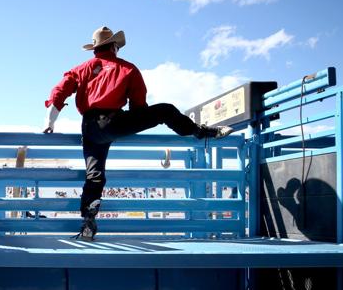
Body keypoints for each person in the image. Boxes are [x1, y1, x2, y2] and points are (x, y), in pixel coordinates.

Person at [43, 26, 232, 241]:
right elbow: (139, 107)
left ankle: (88, 218)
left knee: (94, 174)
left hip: (89, 127)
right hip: (114, 122)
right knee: (165, 110)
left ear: (95, 49)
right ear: (114, 47)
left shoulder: (80, 69)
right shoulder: (127, 69)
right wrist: (134, 120)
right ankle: (199, 131)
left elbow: (59, 91)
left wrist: (50, 122)